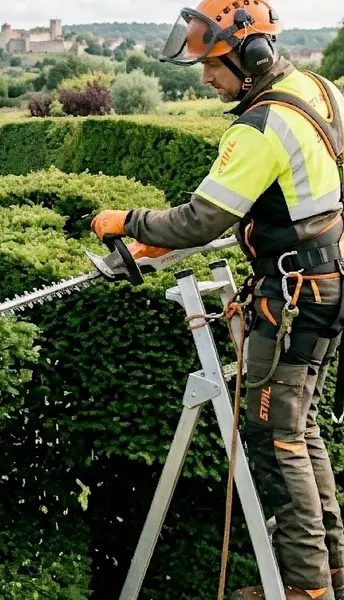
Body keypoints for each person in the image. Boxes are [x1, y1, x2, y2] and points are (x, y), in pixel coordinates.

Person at [90, 1, 344, 598]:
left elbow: (200, 219)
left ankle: (306, 591)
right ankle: (331, 574)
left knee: (275, 439)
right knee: (300, 429)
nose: (206, 78)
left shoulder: (258, 125)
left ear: (252, 56)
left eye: (214, 64)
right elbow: (290, 193)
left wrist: (127, 221)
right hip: (327, 278)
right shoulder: (318, 88)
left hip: (293, 298)